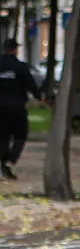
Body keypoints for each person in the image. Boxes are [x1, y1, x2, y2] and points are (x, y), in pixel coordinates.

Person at [0, 39, 43, 179]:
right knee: (20, 135)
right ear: (15, 49)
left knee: (3, 136)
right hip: (17, 107)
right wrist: (39, 97)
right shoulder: (21, 67)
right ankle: (10, 160)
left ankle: (3, 162)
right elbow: (31, 85)